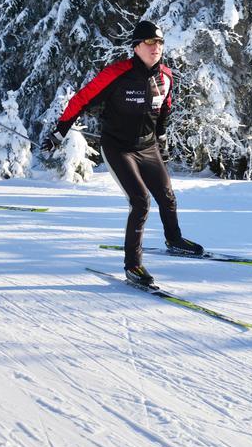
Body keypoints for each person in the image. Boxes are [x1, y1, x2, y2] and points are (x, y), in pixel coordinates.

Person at [42, 20, 203, 287]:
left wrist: (161, 134)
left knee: (167, 196)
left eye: (160, 42)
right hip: (118, 148)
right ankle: (133, 266)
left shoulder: (166, 76)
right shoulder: (116, 74)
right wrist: (59, 133)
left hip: (148, 146)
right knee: (140, 202)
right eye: (150, 42)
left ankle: (174, 239)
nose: (156, 48)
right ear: (136, 46)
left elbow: (165, 106)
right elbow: (81, 99)